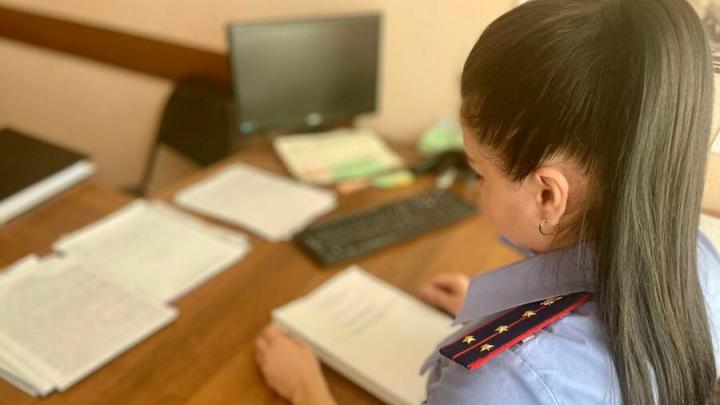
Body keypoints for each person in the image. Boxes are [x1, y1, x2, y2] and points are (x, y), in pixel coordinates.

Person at [254, 0, 720, 403]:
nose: (476, 188)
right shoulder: (700, 260)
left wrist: (306, 390)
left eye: (479, 173)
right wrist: (509, 315)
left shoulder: (499, 383)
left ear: (547, 195)